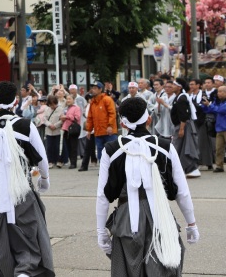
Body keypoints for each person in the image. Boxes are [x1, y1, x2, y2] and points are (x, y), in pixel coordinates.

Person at [96, 96, 199, 276]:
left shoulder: (111, 149)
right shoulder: (165, 146)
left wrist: (101, 232)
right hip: (161, 217)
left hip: (126, 220)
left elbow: (103, 196)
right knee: (164, 267)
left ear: (123, 123)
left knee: (128, 270)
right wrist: (191, 224)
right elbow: (182, 190)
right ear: (149, 119)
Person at [0, 81, 53, 277]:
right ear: (16, 100)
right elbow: (42, 159)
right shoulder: (26, 126)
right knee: (28, 233)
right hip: (21, 188)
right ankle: (25, 270)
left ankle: (9, 271)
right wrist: (44, 179)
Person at [170, 78, 201, 178]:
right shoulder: (179, 97)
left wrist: (182, 129)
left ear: (179, 87)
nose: (172, 87)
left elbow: (184, 115)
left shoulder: (182, 98)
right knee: (179, 147)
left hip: (183, 126)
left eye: (174, 85)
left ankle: (191, 168)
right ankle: (182, 169)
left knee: (183, 147)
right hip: (180, 126)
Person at [85, 81, 118, 161]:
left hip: (109, 132)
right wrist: (89, 130)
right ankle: (102, 171)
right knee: (100, 153)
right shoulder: (93, 102)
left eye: (95, 88)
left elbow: (112, 114)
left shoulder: (107, 99)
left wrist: (110, 126)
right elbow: (90, 117)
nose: (93, 90)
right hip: (98, 132)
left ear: (100, 89)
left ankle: (113, 171)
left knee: (112, 151)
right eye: (92, 88)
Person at [201, 85, 226, 173]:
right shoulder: (217, 102)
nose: (218, 94)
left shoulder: (222, 104)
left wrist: (210, 104)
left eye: (221, 92)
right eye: (218, 91)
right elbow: (208, 110)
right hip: (219, 128)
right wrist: (204, 104)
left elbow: (220, 110)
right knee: (218, 148)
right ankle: (219, 166)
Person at [60, 94, 81, 169]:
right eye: (67, 99)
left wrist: (67, 116)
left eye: (70, 99)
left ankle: (73, 163)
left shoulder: (76, 108)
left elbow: (77, 118)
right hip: (66, 129)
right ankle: (71, 161)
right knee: (68, 146)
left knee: (73, 146)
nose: (68, 100)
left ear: (73, 100)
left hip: (73, 129)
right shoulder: (66, 108)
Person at [44, 95, 65, 168]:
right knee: (49, 147)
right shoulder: (47, 109)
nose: (53, 106)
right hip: (49, 131)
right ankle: (50, 161)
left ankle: (59, 161)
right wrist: (50, 125)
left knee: (58, 147)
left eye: (54, 104)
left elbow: (62, 120)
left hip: (57, 131)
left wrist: (55, 125)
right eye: (51, 104)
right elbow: (44, 119)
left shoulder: (60, 109)